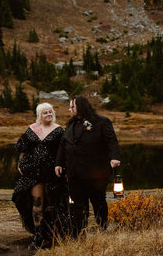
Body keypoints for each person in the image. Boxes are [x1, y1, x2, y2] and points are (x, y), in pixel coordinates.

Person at [54, 95, 121, 236]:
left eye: (72, 106)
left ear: (81, 106)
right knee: (78, 204)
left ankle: (103, 227)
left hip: (96, 172)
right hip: (74, 172)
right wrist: (58, 163)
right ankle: (79, 232)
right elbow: (63, 144)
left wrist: (114, 157)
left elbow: (111, 141)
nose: (69, 109)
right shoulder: (70, 124)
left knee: (98, 201)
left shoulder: (101, 122)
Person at [12, 102, 69, 248]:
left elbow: (63, 152)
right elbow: (23, 149)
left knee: (52, 203)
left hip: (52, 173)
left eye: (50, 112)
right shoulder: (32, 129)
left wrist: (64, 167)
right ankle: (38, 235)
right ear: (39, 115)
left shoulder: (58, 130)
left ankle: (52, 234)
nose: (49, 115)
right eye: (45, 113)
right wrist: (20, 164)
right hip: (34, 172)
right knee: (37, 203)